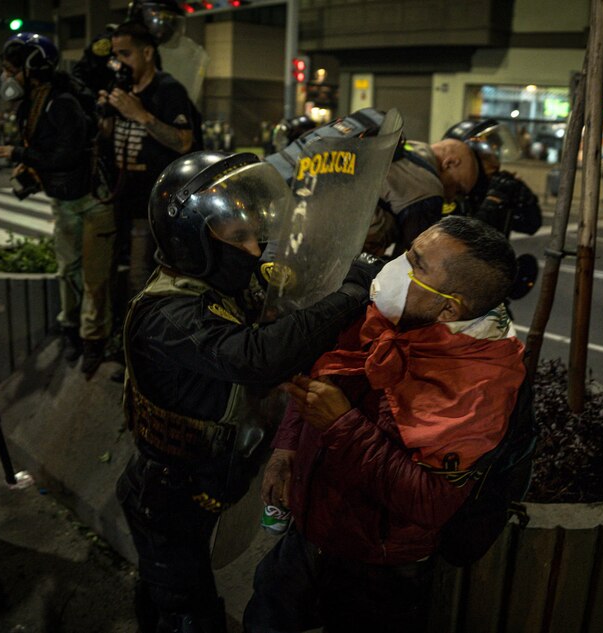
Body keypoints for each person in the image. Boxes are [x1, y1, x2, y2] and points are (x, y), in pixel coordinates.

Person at [117, 150, 381, 633]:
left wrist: (342, 263)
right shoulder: (168, 316)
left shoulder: (220, 287)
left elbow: (289, 298)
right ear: (193, 244)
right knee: (188, 609)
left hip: (203, 482)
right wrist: (350, 295)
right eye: (237, 238)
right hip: (168, 491)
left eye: (253, 234)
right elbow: (257, 355)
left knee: (167, 589)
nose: (255, 249)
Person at [243, 215, 526, 633]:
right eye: (407, 253)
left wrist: (341, 425)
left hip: (376, 569)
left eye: (416, 264)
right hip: (308, 534)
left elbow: (431, 500)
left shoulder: (477, 384)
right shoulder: (394, 311)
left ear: (450, 306)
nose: (395, 267)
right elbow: (325, 372)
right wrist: (287, 449)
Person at [0, 32, 117, 376]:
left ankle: (93, 342)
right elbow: (46, 152)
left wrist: (20, 154)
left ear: (33, 67)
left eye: (11, 69)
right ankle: (70, 330)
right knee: (67, 271)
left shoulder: (62, 102)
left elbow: (66, 154)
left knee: (94, 279)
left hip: (92, 202)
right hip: (63, 201)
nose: (6, 78)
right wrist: (28, 164)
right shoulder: (34, 102)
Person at [100, 20, 202, 297]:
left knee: (139, 276)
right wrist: (105, 112)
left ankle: (142, 334)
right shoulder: (122, 87)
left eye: (125, 54)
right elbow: (108, 139)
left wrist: (141, 115)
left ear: (146, 53)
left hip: (149, 204)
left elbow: (184, 142)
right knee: (106, 272)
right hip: (120, 197)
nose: (119, 62)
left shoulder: (168, 90)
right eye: (115, 55)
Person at [369, 138, 479, 255]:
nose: (451, 199)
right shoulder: (428, 190)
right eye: (458, 189)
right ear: (449, 163)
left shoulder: (411, 146)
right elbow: (413, 259)